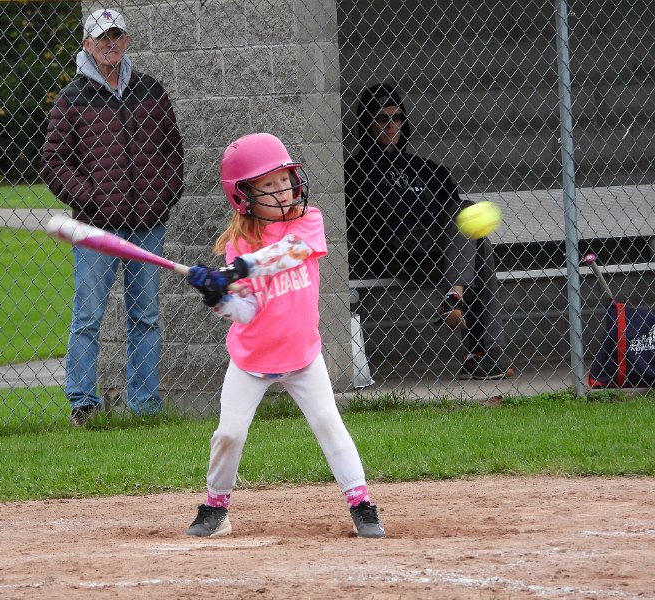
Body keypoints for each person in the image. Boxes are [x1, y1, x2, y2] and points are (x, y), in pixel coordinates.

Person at [183, 133, 385, 539]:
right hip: (251, 360)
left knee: (329, 423)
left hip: (303, 356)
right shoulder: (240, 243)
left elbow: (289, 253)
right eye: (268, 185)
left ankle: (361, 504)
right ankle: (216, 508)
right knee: (229, 434)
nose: (283, 190)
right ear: (243, 196)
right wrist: (217, 298)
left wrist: (237, 270)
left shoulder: (309, 222)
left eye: (285, 180)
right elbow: (245, 312)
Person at [41, 8, 184, 424]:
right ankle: (83, 404)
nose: (110, 44)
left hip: (148, 224)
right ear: (87, 44)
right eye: (102, 37)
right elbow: (53, 162)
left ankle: (145, 405)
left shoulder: (151, 91)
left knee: (146, 316)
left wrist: (162, 197)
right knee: (88, 316)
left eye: (117, 36)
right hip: (95, 228)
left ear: (127, 41)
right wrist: (92, 200)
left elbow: (173, 151)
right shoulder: (71, 98)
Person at [345, 83, 516, 380]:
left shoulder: (427, 169)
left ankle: (456, 299)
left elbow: (445, 210)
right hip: (391, 255)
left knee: (474, 236)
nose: (390, 125)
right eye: (382, 118)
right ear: (367, 123)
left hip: (438, 258)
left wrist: (418, 209)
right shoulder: (355, 171)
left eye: (396, 117)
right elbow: (374, 222)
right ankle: (479, 353)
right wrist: (424, 209)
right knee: (476, 242)